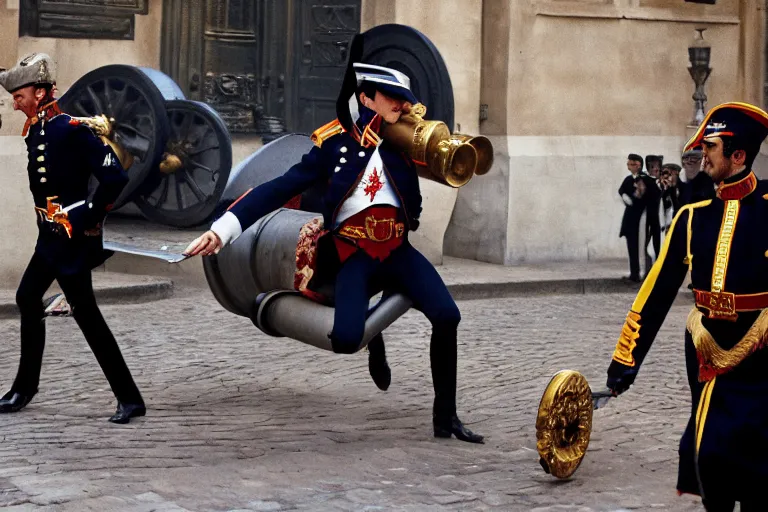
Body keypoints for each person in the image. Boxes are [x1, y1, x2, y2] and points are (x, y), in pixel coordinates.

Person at [184, 42, 484, 443]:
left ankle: (445, 418)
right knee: (346, 339)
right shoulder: (334, 147)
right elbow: (277, 188)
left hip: (397, 251)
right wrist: (221, 230)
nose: (402, 106)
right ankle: (372, 335)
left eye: (405, 100)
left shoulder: (405, 147)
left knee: (448, 317)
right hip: (353, 255)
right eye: (392, 98)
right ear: (365, 97)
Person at [604, 102, 768, 510]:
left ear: (738, 156)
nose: (701, 155)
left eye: (710, 146)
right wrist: (626, 361)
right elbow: (656, 293)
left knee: (757, 462)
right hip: (707, 351)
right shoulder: (690, 219)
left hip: (762, 353)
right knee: (710, 455)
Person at [0, 54, 145, 423]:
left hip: (71, 240)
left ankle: (129, 399)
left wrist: (85, 217)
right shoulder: (36, 130)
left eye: (19, 96)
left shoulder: (74, 129)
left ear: (41, 91)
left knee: (85, 314)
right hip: (50, 238)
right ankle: (24, 387)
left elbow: (115, 179)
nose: (15, 102)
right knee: (28, 297)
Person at [618, 154, 646, 283]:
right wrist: (624, 196)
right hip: (630, 219)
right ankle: (634, 273)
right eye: (628, 164)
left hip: (640, 217)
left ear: (638, 165)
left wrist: (632, 197)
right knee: (632, 247)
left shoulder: (643, 179)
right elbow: (621, 190)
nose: (629, 167)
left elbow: (641, 196)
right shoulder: (628, 179)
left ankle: (642, 273)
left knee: (642, 248)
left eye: (631, 164)